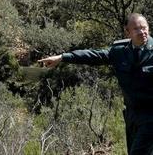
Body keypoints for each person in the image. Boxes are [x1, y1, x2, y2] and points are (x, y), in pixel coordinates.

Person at [38, 13, 153, 155]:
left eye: (144, 27)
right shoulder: (119, 52)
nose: (142, 32)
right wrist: (62, 57)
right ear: (127, 32)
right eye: (136, 29)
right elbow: (93, 55)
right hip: (132, 115)